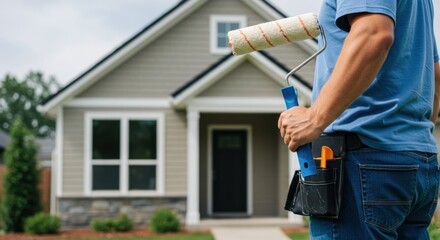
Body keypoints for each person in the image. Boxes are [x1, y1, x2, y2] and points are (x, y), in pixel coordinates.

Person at [278, 0, 440, 239]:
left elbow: (374, 33)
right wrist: (412, 138)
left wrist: (315, 117)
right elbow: (434, 76)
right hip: (416, 161)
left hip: (362, 161)